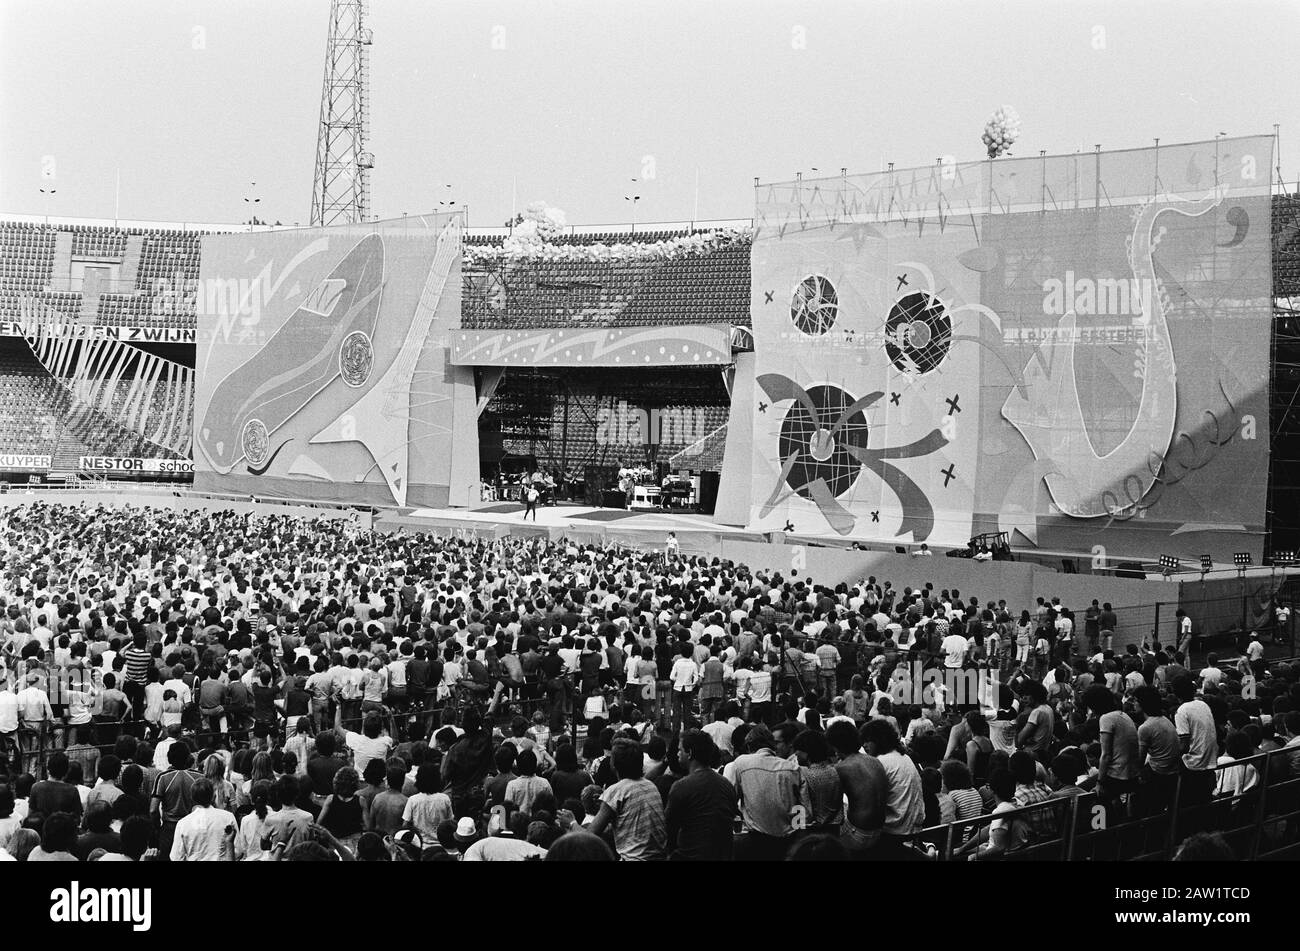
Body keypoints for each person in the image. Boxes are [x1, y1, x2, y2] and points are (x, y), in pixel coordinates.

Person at [587, 738, 667, 861]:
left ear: (614, 764)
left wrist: (571, 823)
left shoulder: (616, 791)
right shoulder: (651, 786)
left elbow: (589, 836)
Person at [730, 724, 800, 860]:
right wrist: (797, 832)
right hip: (788, 839)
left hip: (756, 840)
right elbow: (802, 808)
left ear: (749, 746)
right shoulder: (793, 768)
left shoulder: (741, 763)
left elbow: (731, 799)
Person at [664, 730, 737, 861]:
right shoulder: (727, 785)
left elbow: (669, 829)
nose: (677, 753)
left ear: (690, 753)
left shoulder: (681, 786)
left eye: (680, 750)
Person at [170, 778, 236, 861]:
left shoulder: (183, 823)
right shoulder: (228, 817)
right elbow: (237, 850)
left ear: (192, 798)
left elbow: (176, 857)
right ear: (213, 797)